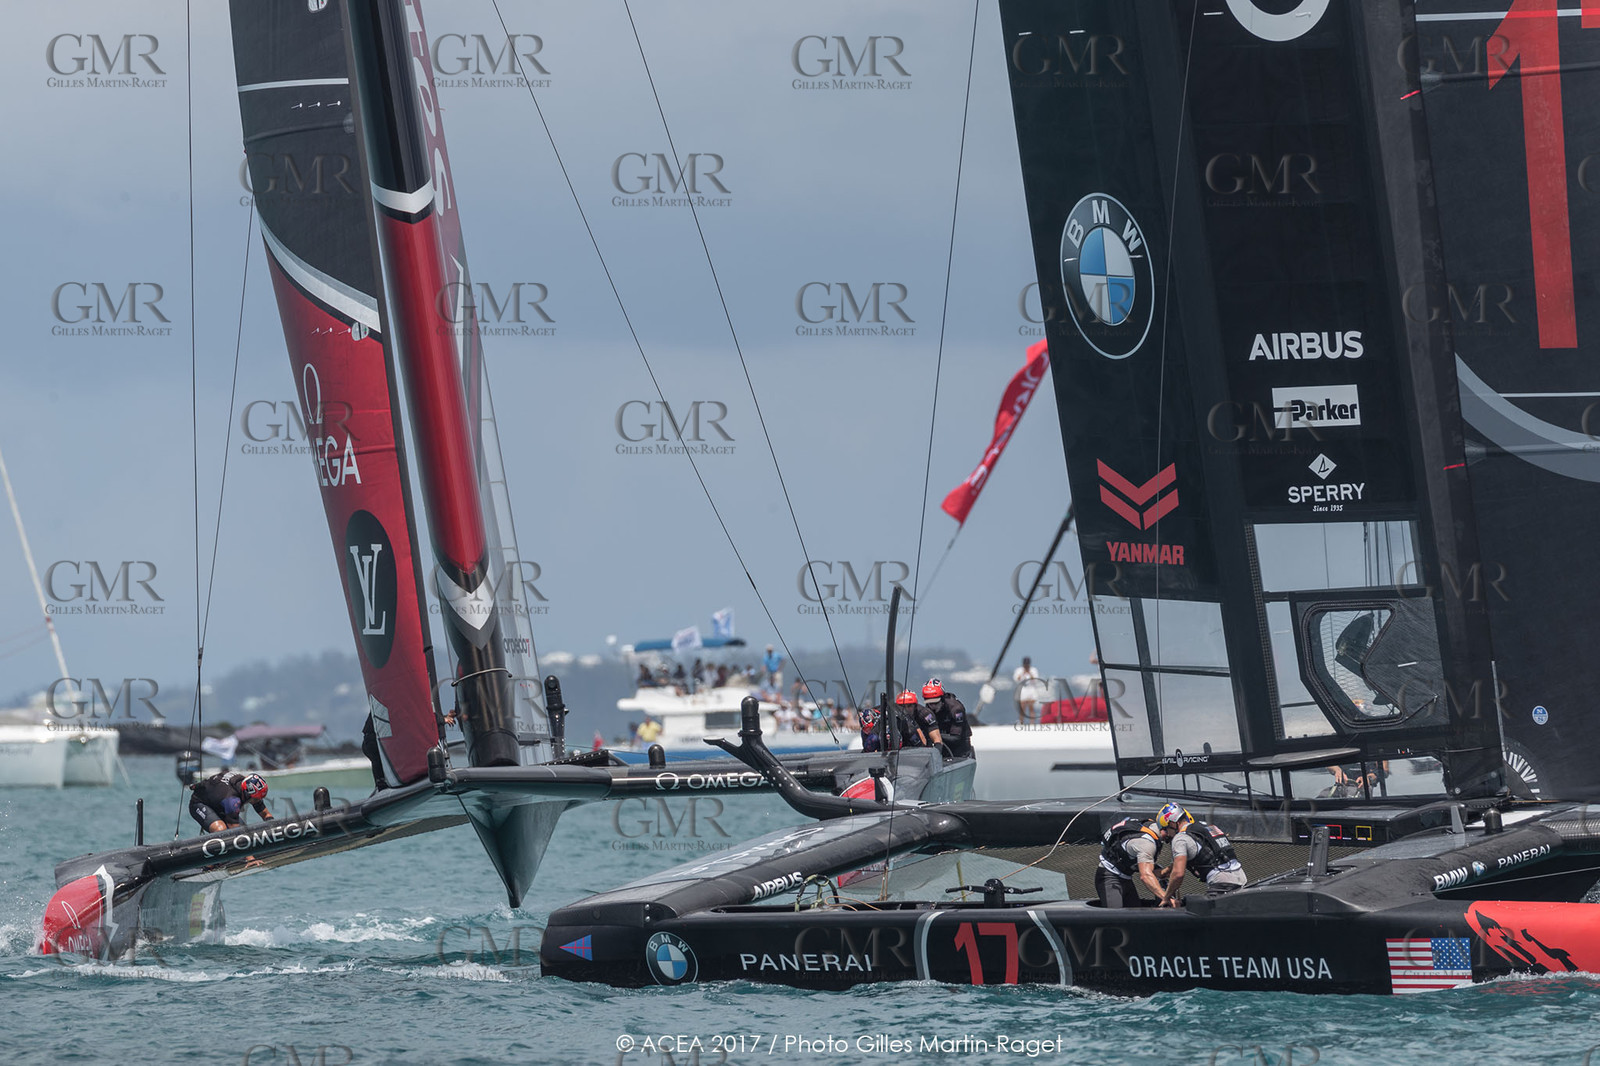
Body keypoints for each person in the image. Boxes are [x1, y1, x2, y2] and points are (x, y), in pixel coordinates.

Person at [1157, 804, 1247, 905]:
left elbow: (1178, 874)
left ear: (1173, 824)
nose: (1167, 834)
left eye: (1166, 829)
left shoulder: (1180, 838)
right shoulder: (1207, 826)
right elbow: (1173, 870)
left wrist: (1166, 898)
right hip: (1241, 879)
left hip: (1222, 884)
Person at [1095, 814, 1168, 908]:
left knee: (1134, 915)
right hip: (1109, 876)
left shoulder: (1150, 827)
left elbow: (1153, 871)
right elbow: (1145, 876)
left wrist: (1171, 870)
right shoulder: (1146, 844)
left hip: (1126, 877)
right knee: (1115, 917)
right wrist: (1166, 898)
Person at [190, 769, 273, 834]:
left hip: (219, 802)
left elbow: (266, 815)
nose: (257, 801)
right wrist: (250, 856)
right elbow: (235, 835)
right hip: (200, 803)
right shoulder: (232, 801)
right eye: (256, 799)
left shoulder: (249, 789)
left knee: (244, 831)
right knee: (221, 830)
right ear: (247, 794)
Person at [921, 678, 973, 759]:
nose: (932, 706)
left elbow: (956, 738)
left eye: (935, 703)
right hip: (942, 743)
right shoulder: (928, 708)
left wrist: (934, 736)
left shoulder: (956, 709)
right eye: (929, 703)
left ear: (942, 698)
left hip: (960, 747)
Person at [1013, 656, 1042, 723]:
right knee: (1022, 707)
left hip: (1031, 689)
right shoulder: (1019, 670)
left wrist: (1029, 673)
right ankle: (1021, 722)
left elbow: (1035, 680)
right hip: (1023, 689)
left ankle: (1032, 723)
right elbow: (1016, 679)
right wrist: (1023, 673)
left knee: (1031, 707)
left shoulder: (1033, 670)